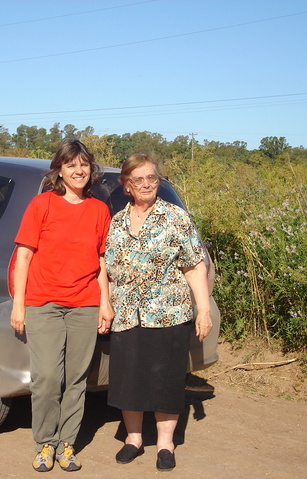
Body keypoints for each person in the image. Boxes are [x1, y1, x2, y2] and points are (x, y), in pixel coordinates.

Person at [10, 138, 114, 472]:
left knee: (76, 380)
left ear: (90, 169)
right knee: (47, 378)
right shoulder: (42, 205)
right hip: (44, 303)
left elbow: (101, 261)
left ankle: (67, 444)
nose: (78, 170)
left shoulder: (99, 210)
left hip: (85, 304)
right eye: (71, 165)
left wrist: (105, 304)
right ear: (60, 169)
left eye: (83, 164)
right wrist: (19, 305)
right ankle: (45, 444)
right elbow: (24, 256)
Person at [105, 153, 213, 472]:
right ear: (127, 185)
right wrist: (105, 305)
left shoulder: (176, 217)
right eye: (138, 179)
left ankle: (165, 444)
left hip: (169, 312)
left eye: (152, 178)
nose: (147, 184)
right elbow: (107, 270)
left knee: (165, 380)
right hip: (127, 313)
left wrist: (203, 310)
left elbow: (195, 267)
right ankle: (134, 439)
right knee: (129, 378)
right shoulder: (117, 222)